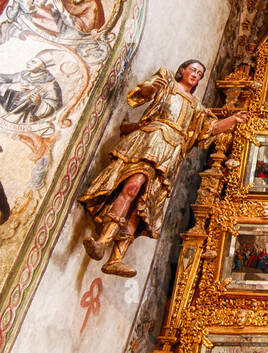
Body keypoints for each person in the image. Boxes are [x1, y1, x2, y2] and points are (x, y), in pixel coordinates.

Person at [79, 60, 246, 276]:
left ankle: (116, 259)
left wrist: (232, 119)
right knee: (132, 185)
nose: (196, 74)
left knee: (145, 202)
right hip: (150, 140)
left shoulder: (197, 107)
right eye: (193, 70)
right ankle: (103, 241)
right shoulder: (166, 82)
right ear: (182, 71)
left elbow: (209, 130)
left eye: (200, 74)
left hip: (171, 153)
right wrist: (151, 88)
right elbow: (142, 94)